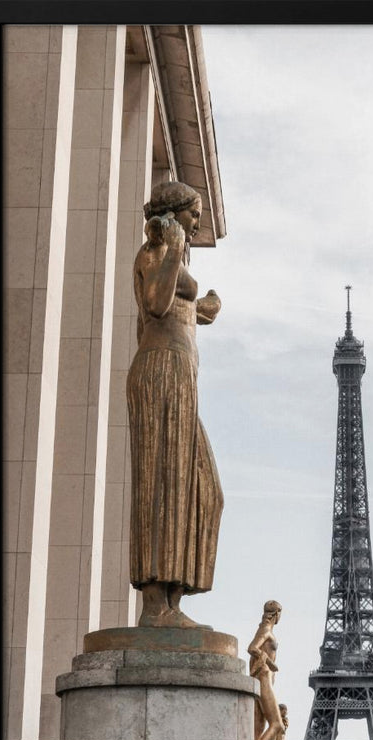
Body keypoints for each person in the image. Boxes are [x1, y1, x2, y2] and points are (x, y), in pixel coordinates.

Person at [127, 181, 223, 628]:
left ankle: (173, 599)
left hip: (181, 375)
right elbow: (157, 303)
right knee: (163, 483)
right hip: (160, 371)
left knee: (202, 490)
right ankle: (155, 606)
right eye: (193, 213)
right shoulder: (154, 253)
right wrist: (173, 248)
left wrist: (205, 307)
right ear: (174, 213)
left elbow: (183, 309)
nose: (198, 221)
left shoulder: (172, 257)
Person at [248, 600, 285, 740]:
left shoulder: (264, 629)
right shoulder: (266, 630)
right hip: (264, 676)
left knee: (258, 728)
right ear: (277, 613)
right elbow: (252, 648)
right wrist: (271, 664)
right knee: (277, 725)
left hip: (262, 677)